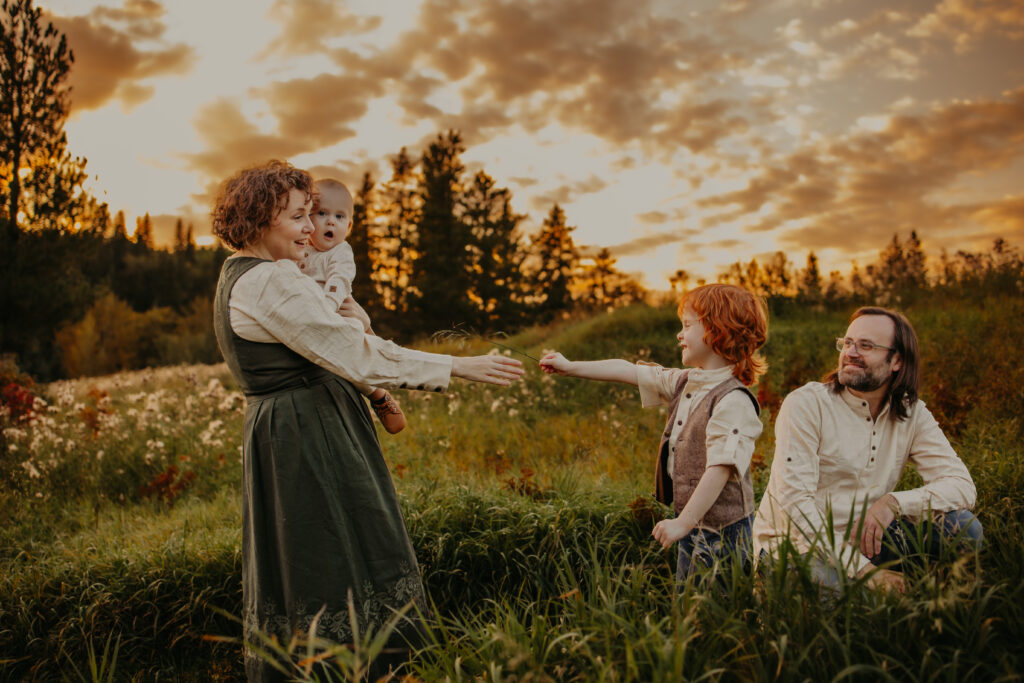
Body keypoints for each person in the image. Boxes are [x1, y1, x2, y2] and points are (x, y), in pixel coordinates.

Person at [211, 159, 524, 681]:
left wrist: (362, 325)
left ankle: (372, 662)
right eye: (297, 217)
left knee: (346, 539)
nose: (311, 229)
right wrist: (458, 365)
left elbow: (345, 336)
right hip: (305, 435)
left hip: (312, 425)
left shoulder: (267, 273)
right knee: (322, 548)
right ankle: (346, 666)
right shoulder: (265, 282)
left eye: (311, 215)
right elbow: (353, 354)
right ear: (262, 218)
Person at [540, 284, 767, 584]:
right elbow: (629, 371)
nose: (679, 334)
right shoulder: (686, 381)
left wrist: (682, 523)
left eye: (687, 326)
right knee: (689, 607)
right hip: (692, 527)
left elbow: (719, 469)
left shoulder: (733, 401)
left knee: (721, 614)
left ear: (717, 332)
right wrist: (571, 367)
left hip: (725, 536)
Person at [753, 306, 982, 592]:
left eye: (866, 346)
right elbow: (796, 506)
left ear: (897, 360)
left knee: (964, 529)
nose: (850, 352)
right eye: (847, 343)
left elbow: (961, 486)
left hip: (866, 536)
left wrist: (893, 503)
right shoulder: (806, 404)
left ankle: (933, 598)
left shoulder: (912, 414)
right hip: (793, 544)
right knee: (840, 603)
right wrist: (863, 570)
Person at [300, 177, 406, 434]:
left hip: (337, 313)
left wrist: (327, 304)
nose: (330, 222)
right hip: (309, 317)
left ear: (349, 225)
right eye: (321, 213)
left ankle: (377, 394)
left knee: (350, 358)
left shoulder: (340, 252)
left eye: (339, 216)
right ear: (306, 219)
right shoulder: (302, 250)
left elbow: (339, 279)